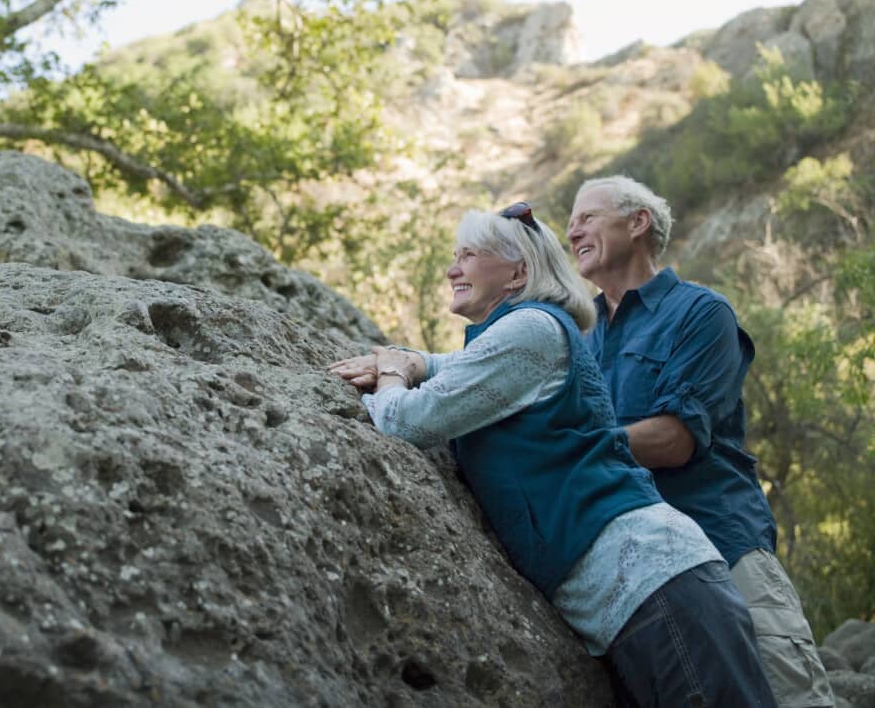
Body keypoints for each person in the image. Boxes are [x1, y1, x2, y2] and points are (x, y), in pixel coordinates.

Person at [331, 202, 776, 707]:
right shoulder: (522, 333)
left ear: (518, 272)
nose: (453, 268)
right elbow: (454, 364)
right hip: (635, 600)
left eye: (469, 255)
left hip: (657, 585)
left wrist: (390, 373)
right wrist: (412, 360)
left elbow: (405, 422)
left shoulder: (531, 331)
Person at [566, 176, 834, 708]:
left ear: (638, 222)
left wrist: (564, 448)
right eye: (571, 222)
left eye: (587, 217)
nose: (572, 232)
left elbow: (674, 439)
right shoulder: (581, 340)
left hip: (725, 543)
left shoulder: (701, 313)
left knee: (790, 694)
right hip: (640, 575)